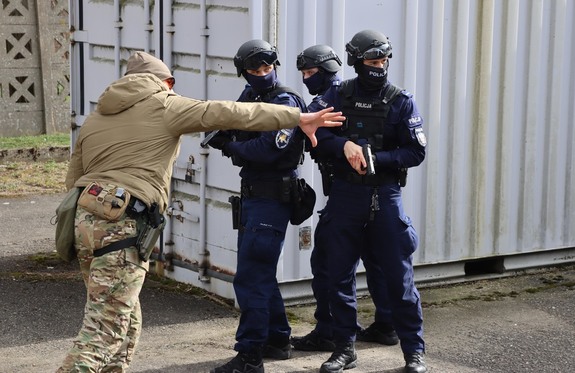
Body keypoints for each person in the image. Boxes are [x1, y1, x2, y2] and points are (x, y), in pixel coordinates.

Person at [57, 50, 344, 373]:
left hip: (85, 221)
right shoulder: (165, 103)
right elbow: (228, 112)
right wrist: (296, 117)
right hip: (121, 223)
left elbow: (74, 176)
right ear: (164, 81)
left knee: (125, 318)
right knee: (104, 329)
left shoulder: (97, 116)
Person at [306, 31, 428, 373]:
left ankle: (413, 353)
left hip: (385, 197)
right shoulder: (338, 94)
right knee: (338, 277)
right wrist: (343, 146)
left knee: (399, 279)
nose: (381, 67)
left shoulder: (401, 100)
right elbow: (314, 131)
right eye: (373, 62)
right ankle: (345, 349)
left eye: (384, 61)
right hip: (345, 196)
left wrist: (379, 158)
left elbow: (416, 151)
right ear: (357, 62)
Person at [207, 39, 308, 373]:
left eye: (268, 68)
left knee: (250, 278)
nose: (263, 74)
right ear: (244, 73)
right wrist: (231, 139)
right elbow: (231, 125)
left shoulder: (285, 101)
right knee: (260, 274)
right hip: (252, 196)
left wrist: (233, 146)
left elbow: (269, 150)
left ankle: (250, 357)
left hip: (272, 198)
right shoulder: (251, 97)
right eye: (255, 70)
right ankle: (277, 340)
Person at [291, 45, 400, 353]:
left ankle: (330, 330)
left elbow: (317, 142)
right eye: (304, 74)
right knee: (375, 261)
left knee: (328, 262)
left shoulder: (334, 102)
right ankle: (386, 325)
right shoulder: (345, 96)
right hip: (369, 194)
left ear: (326, 71)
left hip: (348, 194)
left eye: (311, 73)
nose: (306, 78)